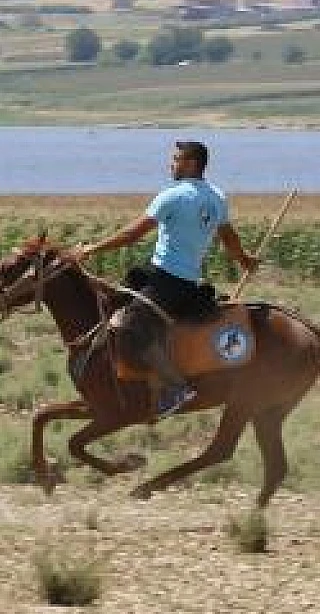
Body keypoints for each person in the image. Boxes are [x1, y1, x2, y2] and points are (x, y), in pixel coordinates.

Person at [62, 140, 259, 418]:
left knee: (131, 327)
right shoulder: (217, 196)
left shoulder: (174, 195)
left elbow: (132, 235)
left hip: (166, 280)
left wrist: (90, 249)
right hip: (185, 280)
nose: (171, 164)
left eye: (176, 159)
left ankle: (175, 386)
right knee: (114, 302)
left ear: (191, 163)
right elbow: (228, 237)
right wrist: (245, 261)